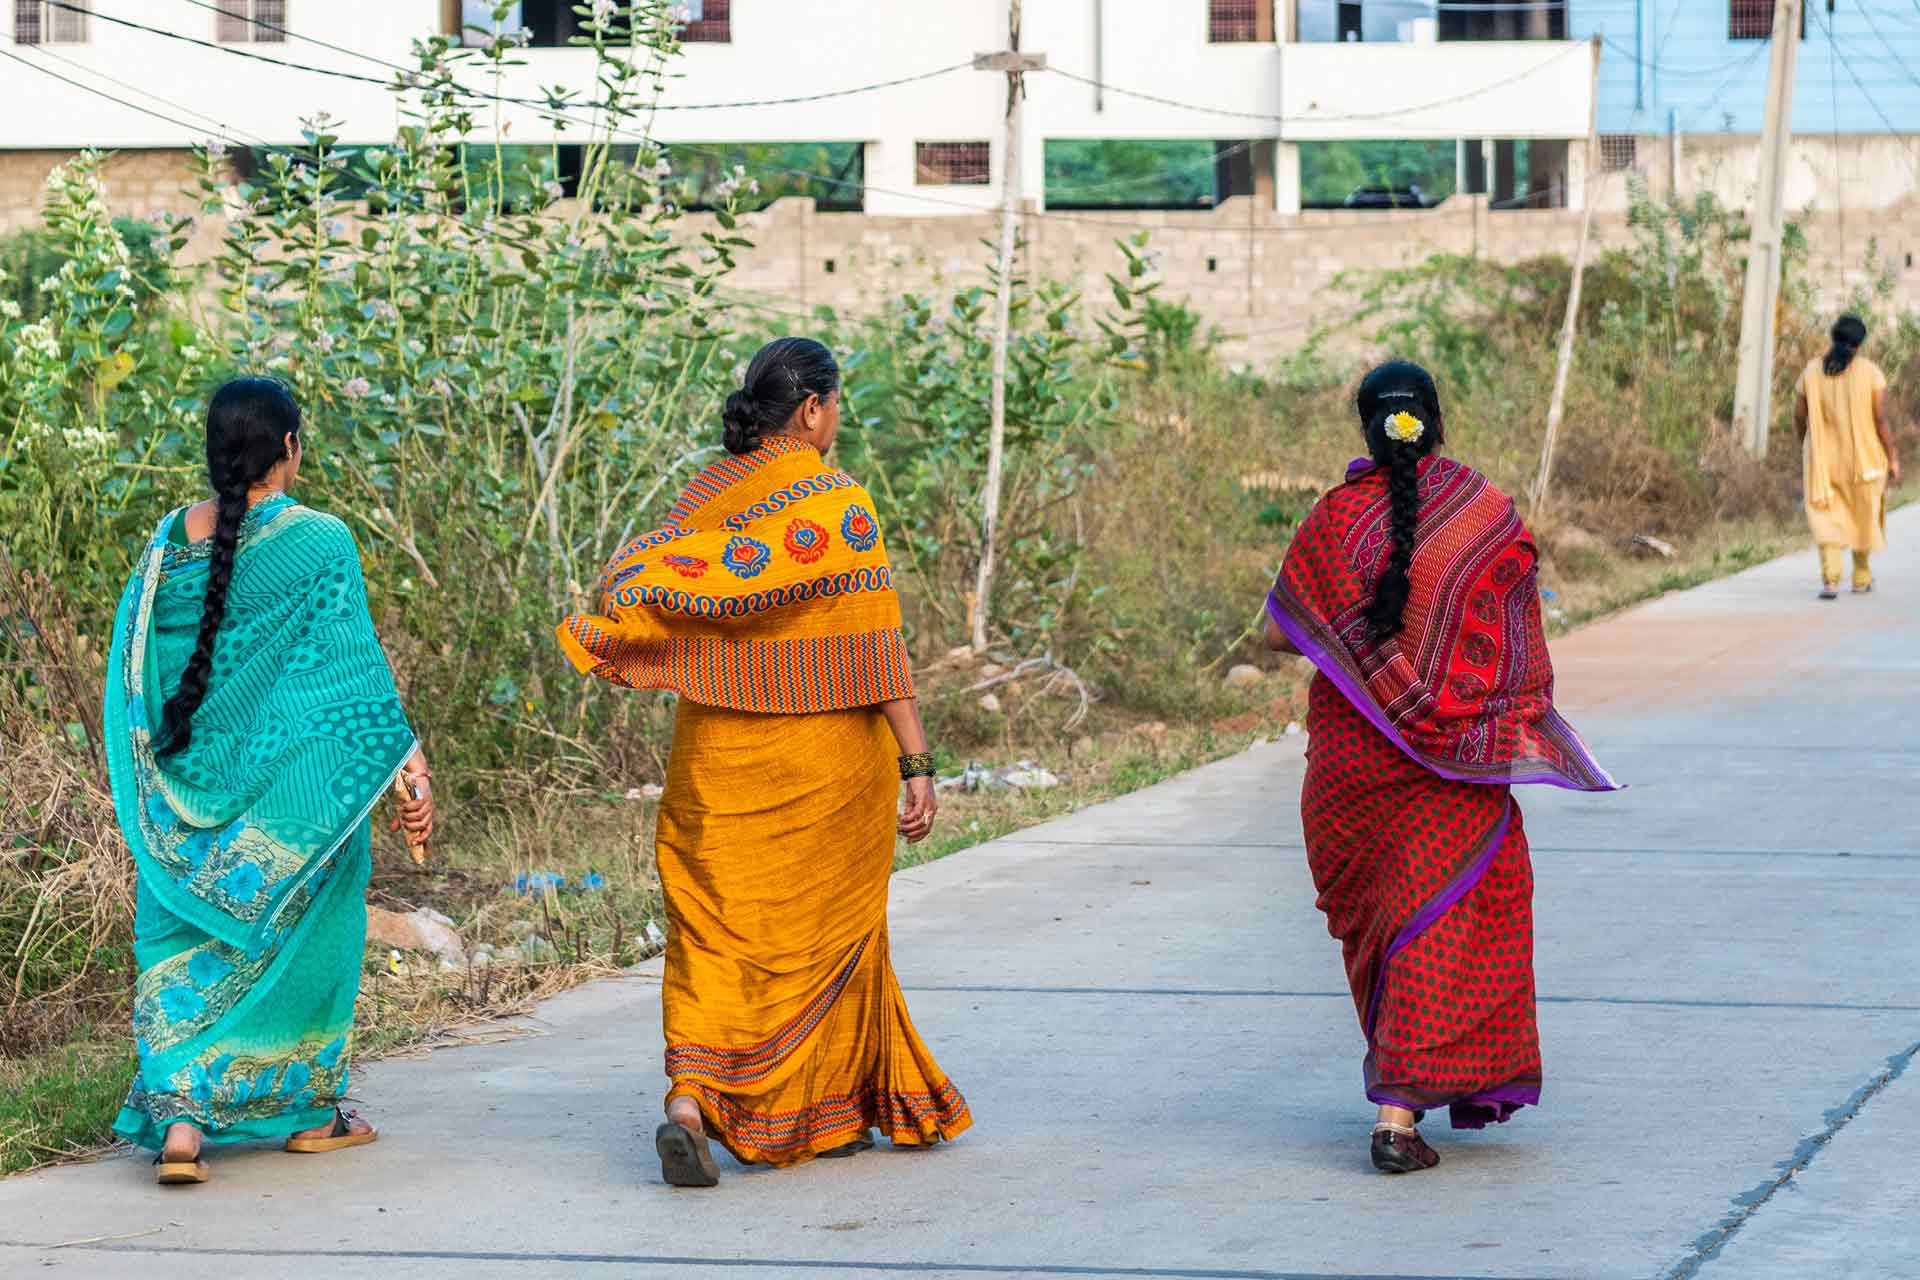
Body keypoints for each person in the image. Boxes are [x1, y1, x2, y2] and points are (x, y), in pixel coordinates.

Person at [556, 337, 970, 1187]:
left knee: (714, 932)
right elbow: (876, 642)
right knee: (826, 938)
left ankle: (691, 1097)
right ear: (813, 409)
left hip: (717, 763)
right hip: (827, 765)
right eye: (837, 405)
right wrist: (917, 759)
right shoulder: (839, 506)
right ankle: (824, 1110)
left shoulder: (709, 494)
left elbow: (639, 584)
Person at [1263, 360, 1616, 1175]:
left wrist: (1355, 639)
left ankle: (1402, 1095)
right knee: (1450, 914)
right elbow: (1517, 636)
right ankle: (1397, 1115)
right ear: (1437, 421)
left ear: (1364, 428)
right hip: (1451, 768)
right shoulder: (1483, 515)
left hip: (1350, 765)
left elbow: (1283, 634)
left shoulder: (1333, 521)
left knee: (1385, 924)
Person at [104, 377, 435, 1186]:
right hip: (288, 799)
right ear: (290, 447)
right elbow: (349, 681)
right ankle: (312, 1113)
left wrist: (163, 779)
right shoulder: (319, 542)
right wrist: (409, 769)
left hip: (177, 800)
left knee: (177, 940)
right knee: (312, 930)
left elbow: (134, 677)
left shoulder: (166, 542)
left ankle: (181, 1124)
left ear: (216, 448)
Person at [1795, 315, 1901, 599]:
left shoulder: (1811, 372)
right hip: (1865, 462)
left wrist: (1804, 443)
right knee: (1863, 515)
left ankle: (1830, 581)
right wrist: (1892, 457)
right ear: (1859, 344)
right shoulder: (1871, 372)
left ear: (1833, 337)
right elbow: (1880, 420)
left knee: (1826, 517)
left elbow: (1799, 415)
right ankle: (1861, 577)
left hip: (1823, 463)